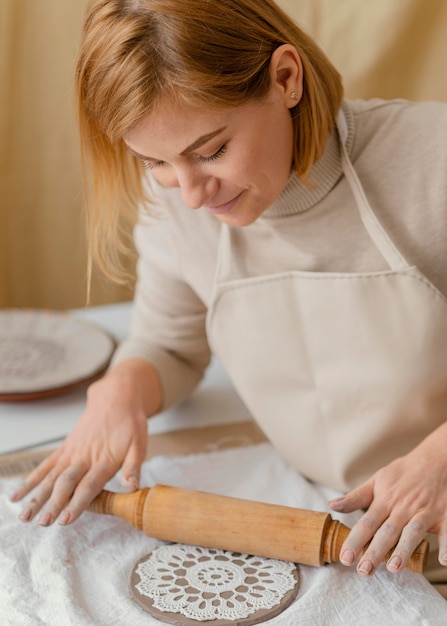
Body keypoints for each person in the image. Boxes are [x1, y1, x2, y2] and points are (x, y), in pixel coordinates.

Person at [10, 0, 447, 589]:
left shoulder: (431, 162)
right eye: (154, 162)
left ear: (286, 79)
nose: (190, 193)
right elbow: (171, 344)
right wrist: (121, 391)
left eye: (211, 150)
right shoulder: (177, 201)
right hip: (340, 521)